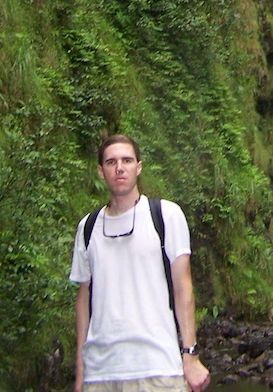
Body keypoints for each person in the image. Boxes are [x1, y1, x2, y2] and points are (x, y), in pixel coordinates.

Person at [69, 134, 211, 392]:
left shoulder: (166, 216)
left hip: (157, 368)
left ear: (139, 167)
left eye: (127, 160)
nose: (119, 167)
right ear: (101, 171)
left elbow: (183, 288)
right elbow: (83, 300)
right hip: (101, 374)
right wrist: (81, 371)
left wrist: (190, 355)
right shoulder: (87, 228)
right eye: (111, 162)